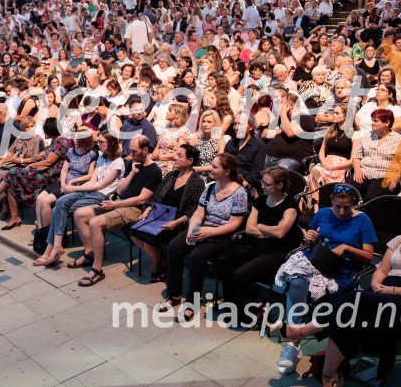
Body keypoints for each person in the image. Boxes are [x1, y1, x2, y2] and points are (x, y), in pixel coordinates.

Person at [283, 204, 401, 386]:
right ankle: (329, 377)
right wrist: (376, 283)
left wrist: (394, 290)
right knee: (346, 320)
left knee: (356, 299)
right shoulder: (400, 241)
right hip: (381, 296)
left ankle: (303, 331)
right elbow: (382, 269)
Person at [273, 184, 377, 375]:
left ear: (353, 203)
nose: (342, 211)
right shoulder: (322, 214)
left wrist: (346, 248)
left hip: (342, 270)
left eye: (346, 207)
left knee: (328, 297)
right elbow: (307, 242)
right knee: (297, 283)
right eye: (338, 206)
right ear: (332, 202)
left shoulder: (363, 220)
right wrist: (309, 238)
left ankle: (296, 338)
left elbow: (369, 256)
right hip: (317, 262)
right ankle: (293, 345)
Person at [158, 154, 249, 321]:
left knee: (196, 256)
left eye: (214, 167)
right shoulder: (210, 187)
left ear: (227, 171)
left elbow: (235, 224)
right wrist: (193, 229)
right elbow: (199, 212)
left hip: (223, 234)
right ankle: (174, 294)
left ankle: (191, 303)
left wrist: (209, 232)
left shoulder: (239, 193)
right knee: (174, 247)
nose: (210, 169)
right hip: (203, 228)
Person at [69, 135, 162, 286]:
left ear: (145, 150)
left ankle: (97, 269)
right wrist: (132, 173)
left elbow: (142, 199)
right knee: (79, 214)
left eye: (134, 151)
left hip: (134, 209)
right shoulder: (132, 163)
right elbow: (119, 189)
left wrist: (116, 205)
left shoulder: (154, 171)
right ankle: (90, 253)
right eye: (130, 151)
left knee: (95, 223)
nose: (131, 154)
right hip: (119, 201)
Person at [213, 167, 302, 309]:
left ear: (280, 185)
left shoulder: (290, 205)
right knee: (223, 265)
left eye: (267, 184)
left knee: (241, 275)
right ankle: (233, 306)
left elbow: (280, 233)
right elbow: (249, 229)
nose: (263, 186)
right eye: (263, 182)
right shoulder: (260, 201)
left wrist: (260, 226)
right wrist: (269, 231)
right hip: (255, 247)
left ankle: (252, 308)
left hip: (277, 253)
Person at [33, 131, 124, 267]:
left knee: (60, 207)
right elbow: (93, 181)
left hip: (101, 195)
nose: (98, 144)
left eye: (101, 142)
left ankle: (51, 248)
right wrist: (74, 187)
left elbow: (100, 185)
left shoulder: (118, 162)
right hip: (88, 190)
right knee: (59, 203)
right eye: (97, 141)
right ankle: (55, 246)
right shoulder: (101, 158)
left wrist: (73, 188)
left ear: (111, 143)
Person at [131, 144, 207, 282]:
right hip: (158, 215)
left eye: (179, 156)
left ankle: (157, 265)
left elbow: (193, 209)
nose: (175, 158)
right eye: (176, 154)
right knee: (135, 232)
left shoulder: (197, 182)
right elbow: (156, 196)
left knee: (148, 238)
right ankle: (161, 260)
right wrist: (147, 210)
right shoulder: (171, 175)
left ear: (190, 161)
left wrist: (177, 222)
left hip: (177, 221)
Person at [0, 117, 70, 230]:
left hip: (49, 176)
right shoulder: (55, 140)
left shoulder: (61, 141)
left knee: (12, 173)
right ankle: (14, 216)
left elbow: (49, 162)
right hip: (43, 172)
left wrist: (32, 165)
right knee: (11, 180)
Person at [350, 109, 401, 201]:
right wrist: (357, 170)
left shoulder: (399, 140)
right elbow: (357, 157)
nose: (372, 123)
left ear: (387, 123)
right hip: (364, 173)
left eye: (375, 121)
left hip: (384, 175)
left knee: (372, 198)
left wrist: (396, 176)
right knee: (345, 192)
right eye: (372, 120)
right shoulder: (367, 136)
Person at [307, 104, 353, 203]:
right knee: (315, 170)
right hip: (327, 162)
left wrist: (333, 167)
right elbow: (322, 150)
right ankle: (316, 204)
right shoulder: (330, 130)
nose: (334, 115)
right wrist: (323, 162)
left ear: (346, 116)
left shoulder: (354, 134)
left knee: (327, 174)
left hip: (341, 165)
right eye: (334, 113)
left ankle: (330, 202)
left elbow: (353, 159)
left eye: (337, 113)